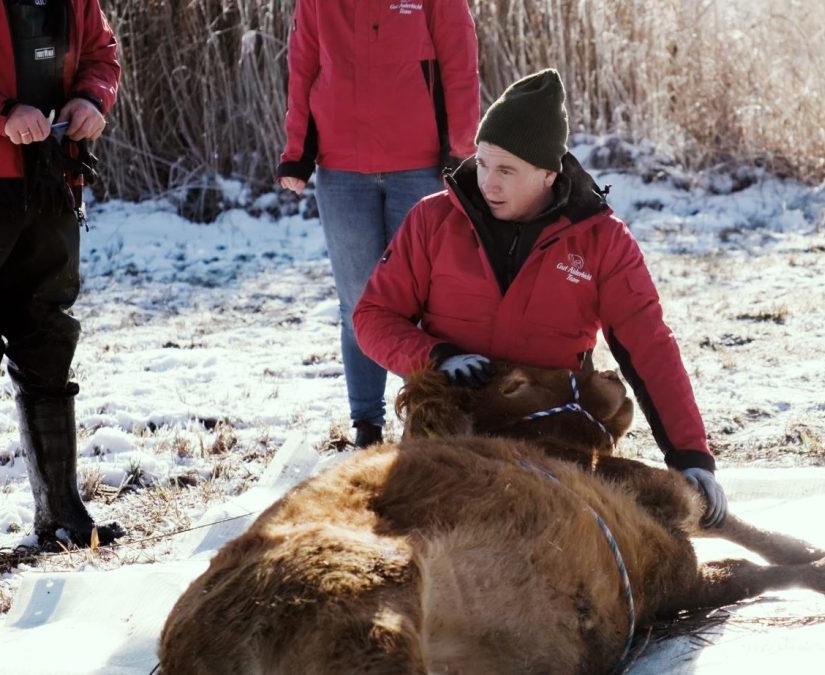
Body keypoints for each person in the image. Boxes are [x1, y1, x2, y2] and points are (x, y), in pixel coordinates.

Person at [354, 69, 728, 528]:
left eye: (506, 171)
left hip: (555, 425)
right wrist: (435, 356)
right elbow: (373, 315)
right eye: (484, 162)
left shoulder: (602, 242)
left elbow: (649, 346)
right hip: (454, 419)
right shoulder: (432, 221)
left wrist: (690, 453)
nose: (488, 182)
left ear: (548, 173)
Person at [276, 0, 480, 449]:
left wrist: (461, 148)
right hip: (342, 172)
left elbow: (460, 62)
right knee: (358, 304)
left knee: (429, 302)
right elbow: (303, 65)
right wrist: (297, 151)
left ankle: (432, 413)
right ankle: (366, 423)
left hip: (420, 168)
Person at [0, 0, 122, 546]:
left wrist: (91, 99)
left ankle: (62, 516)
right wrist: (3, 114)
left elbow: (102, 54)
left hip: (53, 180)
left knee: (48, 335)